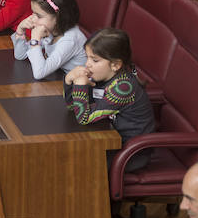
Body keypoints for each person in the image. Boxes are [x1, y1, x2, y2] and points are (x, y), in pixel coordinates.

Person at [64, 27, 155, 170]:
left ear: (115, 65)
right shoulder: (103, 75)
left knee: (76, 164)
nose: (87, 64)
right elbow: (73, 107)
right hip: (109, 137)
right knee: (67, 153)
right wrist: (69, 81)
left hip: (130, 153)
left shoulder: (122, 88)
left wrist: (80, 86)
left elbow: (84, 117)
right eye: (87, 57)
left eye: (94, 60)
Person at [12, 0, 87, 79]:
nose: (32, 18)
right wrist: (20, 30)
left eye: (39, 16)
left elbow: (39, 73)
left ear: (58, 17)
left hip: (77, 85)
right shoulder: (51, 30)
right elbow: (20, 55)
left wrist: (35, 40)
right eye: (33, 13)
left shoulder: (70, 40)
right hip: (59, 77)